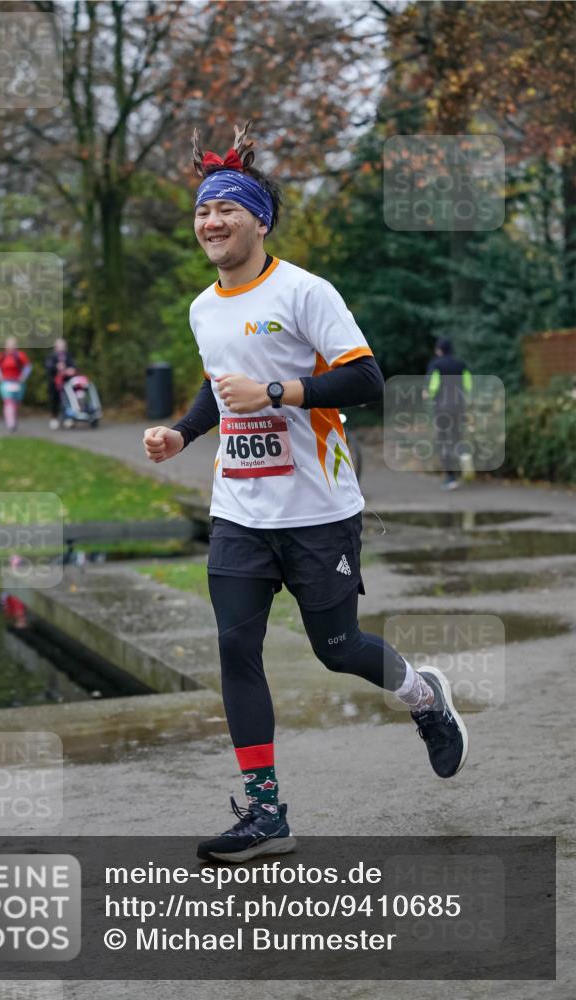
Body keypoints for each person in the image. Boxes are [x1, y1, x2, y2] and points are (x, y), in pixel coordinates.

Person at [143, 122, 468, 864]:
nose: (210, 222)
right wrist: (182, 433)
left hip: (318, 510)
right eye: (200, 211)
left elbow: (364, 378)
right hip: (239, 511)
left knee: (337, 649)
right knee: (234, 646)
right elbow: (219, 383)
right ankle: (266, 814)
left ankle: (423, 697)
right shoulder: (203, 309)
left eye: (225, 210)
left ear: (257, 218)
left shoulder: (303, 291)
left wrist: (277, 392)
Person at [424, 338, 473, 490]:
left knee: (444, 441)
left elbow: (433, 386)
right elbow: (468, 386)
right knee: (457, 438)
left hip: (443, 410)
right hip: (459, 408)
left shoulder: (436, 365)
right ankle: (465, 461)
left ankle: (451, 478)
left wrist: (428, 394)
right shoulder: (461, 365)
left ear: (439, 350)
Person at [0, 337, 32, 431]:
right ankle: (11, 423)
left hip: (18, 382)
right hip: (5, 382)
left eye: (13, 345)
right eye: (9, 345)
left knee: (16, 403)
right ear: (5, 346)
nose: (11, 347)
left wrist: (23, 377)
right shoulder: (1, 356)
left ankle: (13, 420)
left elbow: (28, 366)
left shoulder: (20, 355)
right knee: (8, 402)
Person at [44, 338, 76, 429]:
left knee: (67, 401)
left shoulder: (68, 356)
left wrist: (71, 370)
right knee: (54, 401)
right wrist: (56, 366)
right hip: (54, 384)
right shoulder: (51, 356)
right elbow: (48, 366)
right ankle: (54, 418)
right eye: (59, 346)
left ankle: (68, 419)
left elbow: (73, 366)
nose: (61, 348)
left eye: (63, 346)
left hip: (67, 383)